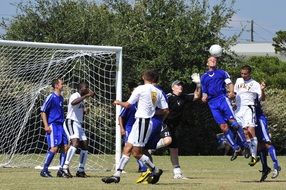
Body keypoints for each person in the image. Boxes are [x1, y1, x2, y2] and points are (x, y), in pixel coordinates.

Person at [102, 70, 169, 184]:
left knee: (136, 153)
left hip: (143, 122)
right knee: (127, 148)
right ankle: (117, 175)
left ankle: (155, 170)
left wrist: (118, 102)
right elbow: (166, 109)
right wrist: (153, 112)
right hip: (142, 122)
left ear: (144, 77)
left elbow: (128, 104)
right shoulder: (158, 91)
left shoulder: (140, 88)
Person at [200, 56, 249, 161]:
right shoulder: (203, 77)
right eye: (211, 60)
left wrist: (231, 92)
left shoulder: (222, 72)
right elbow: (204, 92)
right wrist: (204, 97)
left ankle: (246, 145)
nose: (213, 61)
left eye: (215, 60)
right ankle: (236, 148)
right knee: (223, 127)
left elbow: (229, 83)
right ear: (207, 63)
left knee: (234, 124)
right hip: (212, 103)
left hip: (222, 99)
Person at [164, 74, 201, 179]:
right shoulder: (168, 97)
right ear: (172, 88)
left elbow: (197, 96)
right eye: (177, 85)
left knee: (174, 149)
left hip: (174, 126)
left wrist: (198, 84)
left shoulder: (183, 97)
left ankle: (177, 173)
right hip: (164, 124)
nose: (180, 87)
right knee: (167, 141)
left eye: (181, 85)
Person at [62, 82, 95, 177]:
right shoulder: (75, 95)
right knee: (75, 143)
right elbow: (73, 103)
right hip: (71, 122)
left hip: (78, 124)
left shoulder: (82, 99)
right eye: (86, 87)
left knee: (85, 145)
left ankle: (80, 170)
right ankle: (64, 168)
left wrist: (85, 111)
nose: (88, 89)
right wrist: (88, 95)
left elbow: (80, 111)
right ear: (81, 88)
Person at [40, 79, 68, 177]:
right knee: (54, 148)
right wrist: (46, 125)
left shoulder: (61, 98)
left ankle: (61, 170)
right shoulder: (51, 97)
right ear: (56, 85)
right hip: (53, 125)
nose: (63, 85)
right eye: (61, 84)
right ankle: (44, 170)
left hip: (61, 125)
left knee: (65, 147)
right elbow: (43, 111)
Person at [234, 65, 261, 166]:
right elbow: (235, 93)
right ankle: (249, 150)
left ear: (250, 73)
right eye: (242, 73)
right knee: (245, 132)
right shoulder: (238, 81)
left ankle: (254, 156)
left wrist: (262, 89)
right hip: (239, 109)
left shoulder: (255, 84)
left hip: (249, 108)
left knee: (250, 130)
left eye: (245, 74)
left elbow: (261, 97)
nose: (243, 75)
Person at [255, 82, 281, 182]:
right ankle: (265, 168)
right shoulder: (237, 92)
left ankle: (276, 165)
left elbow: (262, 98)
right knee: (260, 145)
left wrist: (262, 89)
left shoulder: (253, 87)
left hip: (259, 118)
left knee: (266, 142)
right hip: (250, 121)